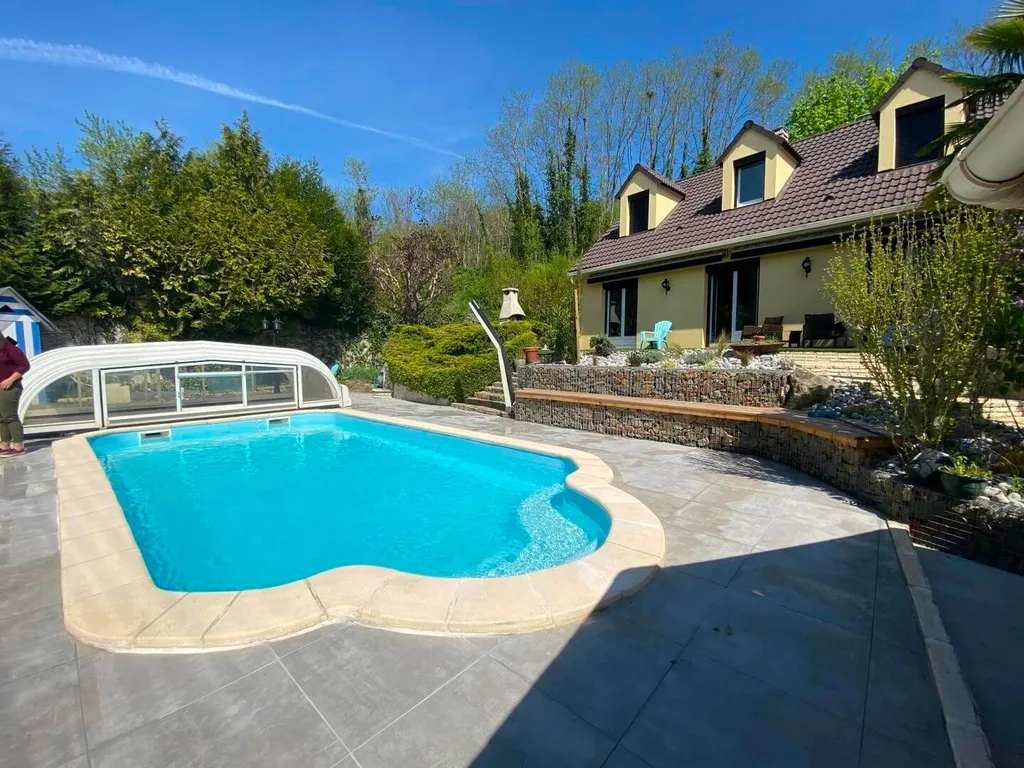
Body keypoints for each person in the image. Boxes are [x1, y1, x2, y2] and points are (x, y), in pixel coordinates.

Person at [0, 335, 31, 457]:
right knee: (1, 417)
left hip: (11, 387)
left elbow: (24, 365)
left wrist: (10, 380)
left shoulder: (10, 349)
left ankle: (18, 446)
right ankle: (4, 445)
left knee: (10, 416)